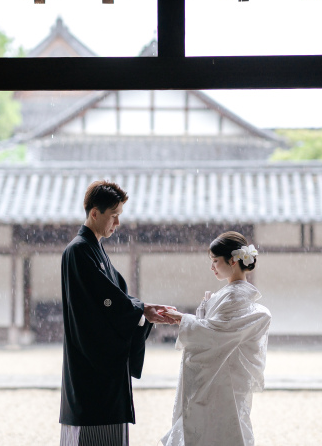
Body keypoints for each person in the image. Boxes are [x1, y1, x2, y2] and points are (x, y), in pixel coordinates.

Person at [59, 180, 176, 446]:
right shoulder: (78, 250)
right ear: (94, 213)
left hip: (102, 363)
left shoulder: (94, 249)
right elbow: (104, 301)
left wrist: (144, 310)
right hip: (91, 363)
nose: (118, 223)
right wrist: (141, 310)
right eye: (114, 216)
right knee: (92, 431)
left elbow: (117, 297)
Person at [158, 231, 272, 446]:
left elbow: (215, 333)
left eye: (215, 261)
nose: (212, 267)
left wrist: (184, 319)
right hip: (221, 375)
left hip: (223, 377)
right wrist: (193, 317)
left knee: (216, 427)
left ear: (233, 260)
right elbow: (215, 330)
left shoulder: (235, 296)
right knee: (220, 427)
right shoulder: (230, 293)